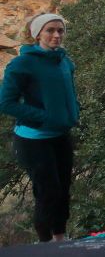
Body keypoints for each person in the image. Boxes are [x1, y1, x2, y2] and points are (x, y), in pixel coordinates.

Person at [0, 13, 79, 242]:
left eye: (60, 30)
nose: (56, 35)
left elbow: (68, 92)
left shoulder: (64, 60)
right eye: (50, 30)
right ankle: (44, 244)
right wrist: (44, 117)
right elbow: (6, 102)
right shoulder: (23, 63)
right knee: (48, 192)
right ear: (37, 34)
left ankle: (60, 238)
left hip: (60, 134)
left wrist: (74, 110)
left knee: (63, 189)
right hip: (33, 138)